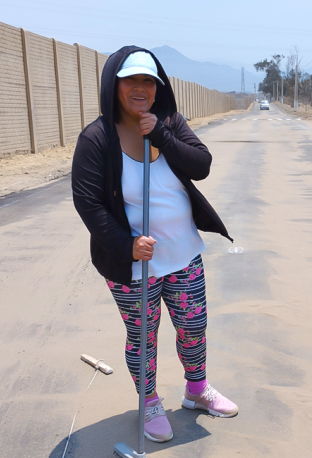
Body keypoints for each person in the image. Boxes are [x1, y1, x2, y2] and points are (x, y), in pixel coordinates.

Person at [71, 46, 238, 443]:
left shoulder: (171, 121)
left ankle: (196, 391)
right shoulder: (96, 138)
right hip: (133, 263)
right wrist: (125, 245)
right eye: (131, 80)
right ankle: (149, 402)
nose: (141, 88)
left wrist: (160, 133)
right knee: (143, 335)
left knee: (194, 327)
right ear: (115, 85)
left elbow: (202, 164)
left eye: (149, 80)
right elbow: (88, 202)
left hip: (183, 255)